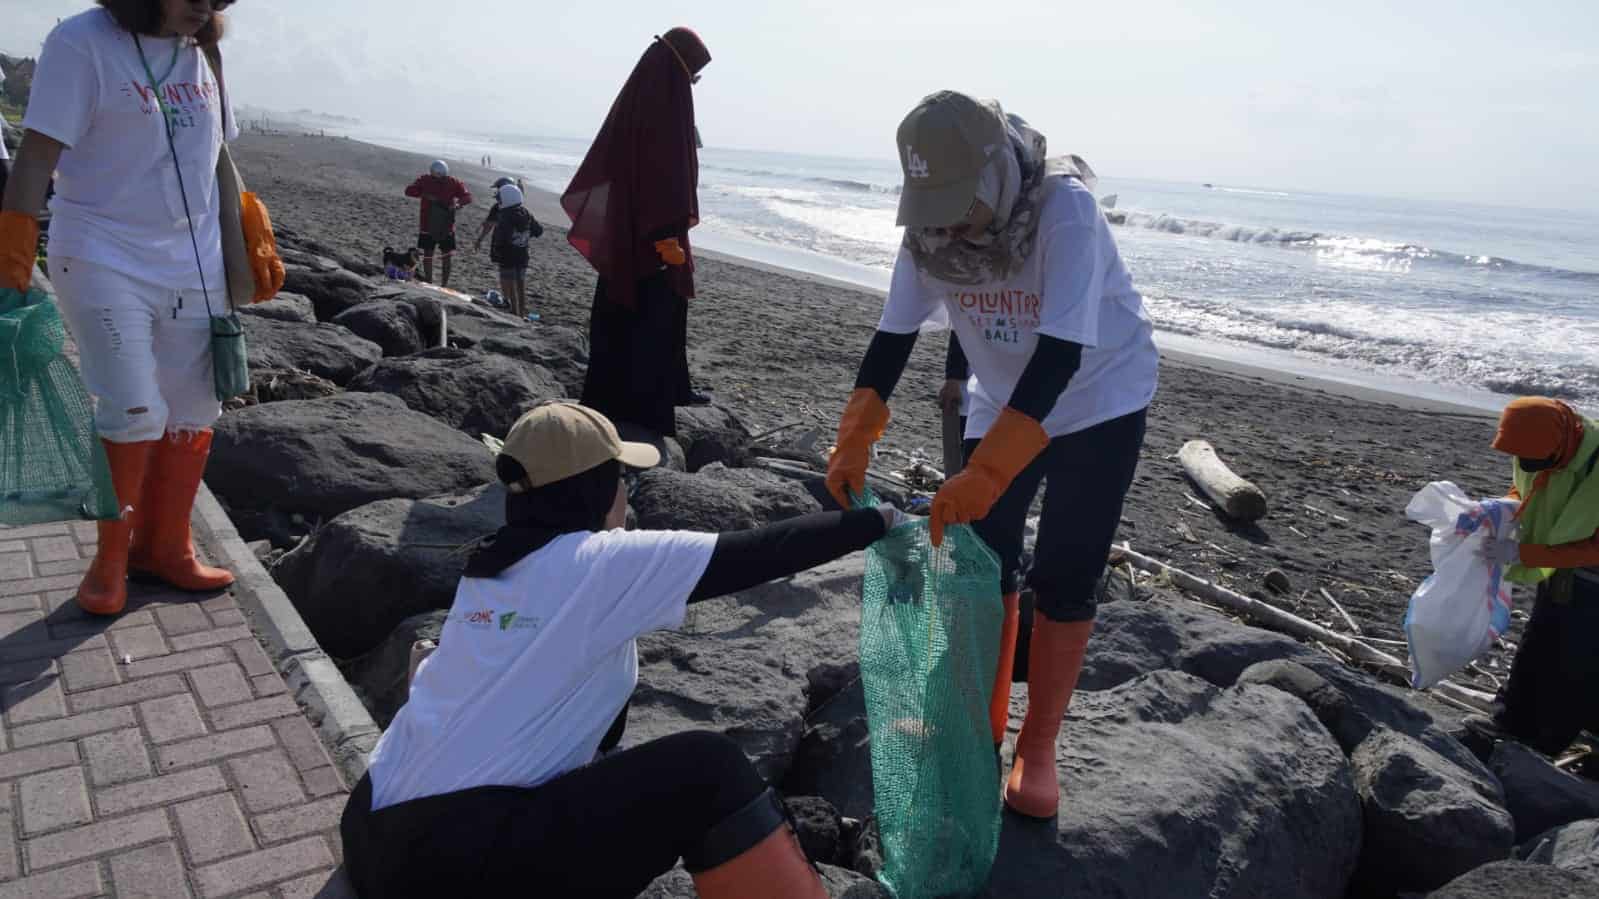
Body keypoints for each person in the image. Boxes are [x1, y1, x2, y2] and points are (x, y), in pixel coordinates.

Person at [340, 402, 905, 897]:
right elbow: (758, 552)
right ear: (590, 490)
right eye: (622, 481)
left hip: (371, 828)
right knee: (707, 770)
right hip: (441, 863)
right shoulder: (594, 564)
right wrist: (880, 521)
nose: (625, 496)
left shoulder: (490, 571)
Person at [826, 91, 1158, 820]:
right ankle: (972, 723)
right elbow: (893, 334)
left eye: (957, 204)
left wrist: (988, 469)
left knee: (1067, 567)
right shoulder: (926, 230)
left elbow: (1062, 351)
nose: (945, 224)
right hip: (1000, 392)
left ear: (995, 174)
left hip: (1099, 396)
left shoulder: (1063, 211)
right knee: (980, 558)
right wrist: (856, 428)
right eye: (931, 204)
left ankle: (1037, 747)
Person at [0, 0, 246, 616]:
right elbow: (35, 156)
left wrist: (246, 245)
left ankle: (167, 548)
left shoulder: (203, 50)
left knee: (195, 407)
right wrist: (12, 262)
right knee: (134, 408)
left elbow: (218, 157)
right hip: (102, 254)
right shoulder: (82, 42)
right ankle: (111, 561)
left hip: (195, 261)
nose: (205, 7)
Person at [562, 27, 711, 439]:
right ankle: (645, 415)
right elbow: (665, 179)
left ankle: (637, 396)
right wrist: (666, 240)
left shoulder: (643, 96)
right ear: (679, 72)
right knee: (652, 318)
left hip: (631, 229)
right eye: (693, 77)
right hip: (653, 237)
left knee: (629, 314)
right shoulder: (664, 105)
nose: (694, 85)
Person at [1465, 397, 1599, 757]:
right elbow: (1528, 486)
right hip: (1561, 566)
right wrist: (1503, 507)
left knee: (1579, 659)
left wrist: (1525, 554)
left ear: (1560, 444)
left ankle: (1547, 742)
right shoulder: (1540, 444)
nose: (1526, 464)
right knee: (1540, 639)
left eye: (1535, 458)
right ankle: (1511, 722)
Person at [403, 159, 471, 286]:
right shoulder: (426, 180)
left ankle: (442, 284)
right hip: (428, 224)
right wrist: (425, 194)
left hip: (445, 225)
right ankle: (430, 281)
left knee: (445, 255)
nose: (439, 180)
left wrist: (457, 204)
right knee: (430, 254)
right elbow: (409, 191)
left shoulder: (452, 182)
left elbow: (467, 197)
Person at [489, 182, 543, 320]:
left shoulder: (505, 216)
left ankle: (514, 312)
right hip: (523, 255)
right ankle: (522, 312)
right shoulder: (527, 213)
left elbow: (503, 237)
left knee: (510, 282)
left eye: (500, 199)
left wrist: (497, 250)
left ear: (506, 199)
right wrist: (524, 236)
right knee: (520, 283)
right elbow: (538, 231)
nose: (499, 201)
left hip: (508, 255)